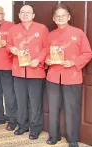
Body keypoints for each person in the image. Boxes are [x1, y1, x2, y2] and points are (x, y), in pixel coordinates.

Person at [45, 4, 92, 147]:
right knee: (53, 108)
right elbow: (46, 54)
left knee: (72, 110)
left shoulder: (78, 33)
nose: (60, 18)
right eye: (57, 16)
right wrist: (47, 60)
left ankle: (72, 140)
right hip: (53, 77)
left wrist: (73, 62)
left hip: (72, 77)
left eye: (63, 15)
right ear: (54, 18)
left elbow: (87, 53)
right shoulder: (50, 35)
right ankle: (54, 136)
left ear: (69, 17)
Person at [7, 5, 49, 140]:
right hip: (18, 71)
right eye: (23, 12)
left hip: (35, 71)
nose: (25, 14)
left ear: (33, 15)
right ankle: (22, 126)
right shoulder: (13, 29)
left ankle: (35, 129)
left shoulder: (42, 29)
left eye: (28, 12)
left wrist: (38, 59)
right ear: (19, 15)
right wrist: (11, 49)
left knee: (35, 103)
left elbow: (46, 48)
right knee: (21, 101)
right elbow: (8, 45)